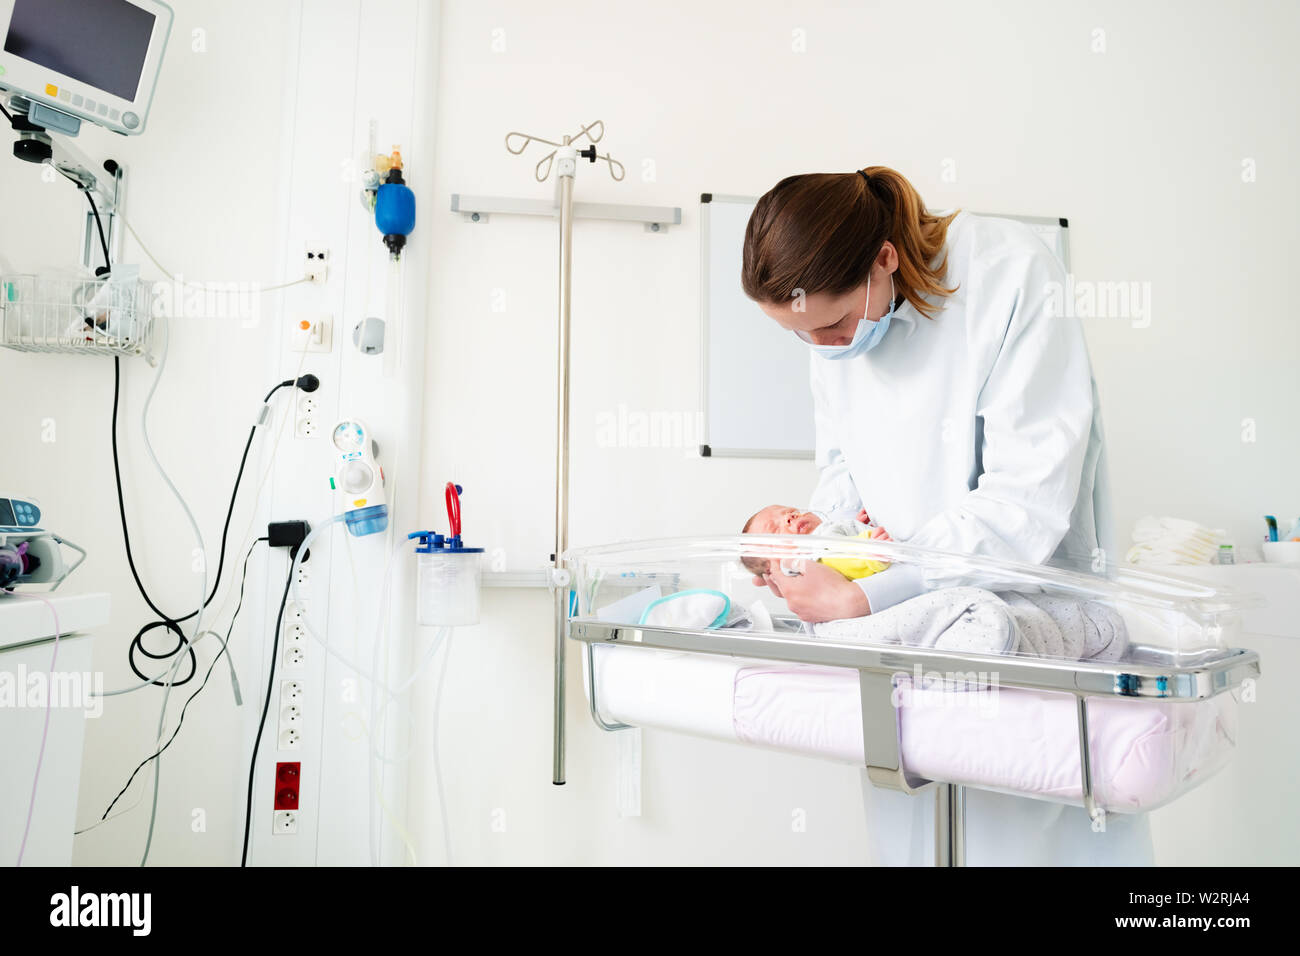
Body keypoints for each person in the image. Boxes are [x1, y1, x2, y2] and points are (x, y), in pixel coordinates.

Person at [739, 165, 1150, 866]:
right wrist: (810, 554)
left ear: (884, 260)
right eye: (801, 335)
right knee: (915, 824)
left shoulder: (1010, 271)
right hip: (901, 634)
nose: (824, 348)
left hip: (1024, 615)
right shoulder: (828, 327)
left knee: (1027, 830)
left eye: (834, 324)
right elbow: (843, 474)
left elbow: (1025, 501)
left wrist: (871, 591)